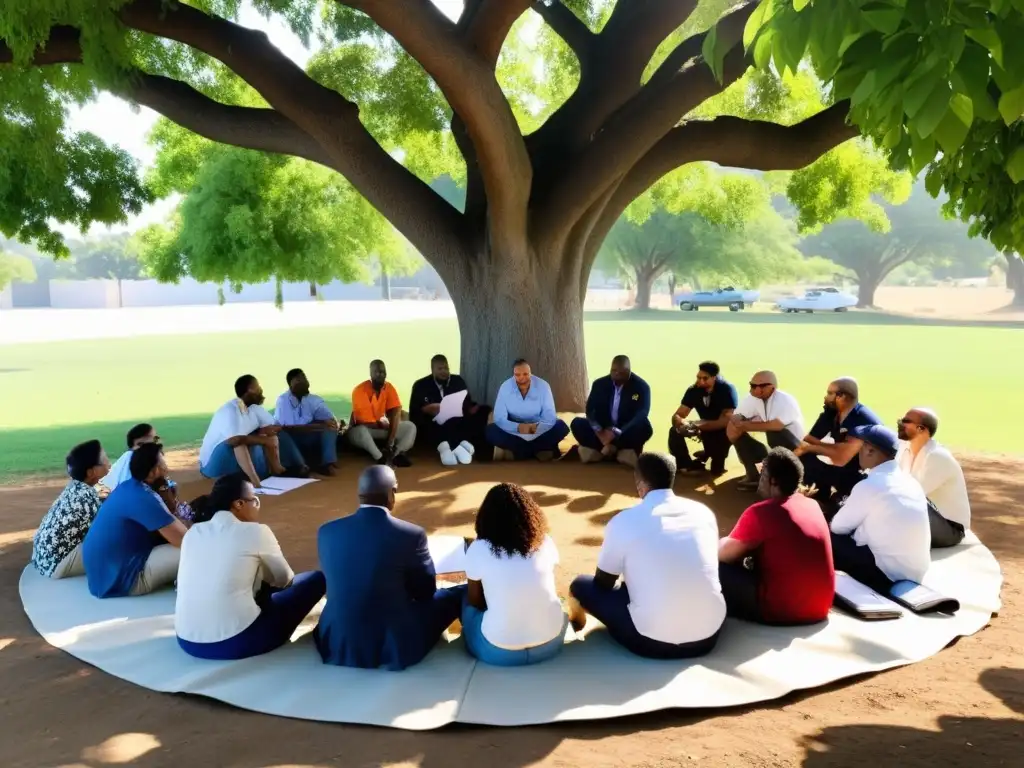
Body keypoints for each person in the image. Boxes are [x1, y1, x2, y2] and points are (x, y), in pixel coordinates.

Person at [569, 452, 724, 659]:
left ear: (640, 484)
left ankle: (575, 625)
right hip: (708, 638)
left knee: (580, 585)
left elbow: (604, 583)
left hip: (650, 643)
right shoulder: (703, 512)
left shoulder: (624, 520)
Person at [314, 465, 466, 670]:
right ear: (391, 493)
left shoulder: (327, 531)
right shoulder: (411, 534)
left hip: (337, 639)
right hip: (393, 642)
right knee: (456, 594)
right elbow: (425, 592)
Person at [175, 473, 327, 660]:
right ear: (239, 504)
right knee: (316, 580)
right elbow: (285, 579)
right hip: (239, 641)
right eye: (255, 500)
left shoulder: (193, 533)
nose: (257, 505)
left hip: (186, 640)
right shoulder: (256, 531)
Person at [718, 448, 834, 625]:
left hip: (781, 611)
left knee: (711, 566)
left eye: (762, 472)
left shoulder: (761, 512)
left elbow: (723, 555)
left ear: (772, 480)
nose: (759, 478)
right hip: (820, 608)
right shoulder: (812, 505)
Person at [461, 483, 568, 666]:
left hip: (498, 653)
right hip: (551, 643)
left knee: (463, 598)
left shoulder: (479, 548)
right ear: (530, 515)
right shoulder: (545, 542)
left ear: (486, 517)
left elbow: (476, 601)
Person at [829, 425, 931, 594]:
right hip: (916, 574)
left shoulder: (869, 485)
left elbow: (837, 527)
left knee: (824, 535)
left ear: (870, 451)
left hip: (884, 576)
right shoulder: (910, 481)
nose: (858, 451)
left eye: (861, 446)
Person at [82, 443, 188, 598]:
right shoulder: (144, 498)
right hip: (123, 581)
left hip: (102, 578)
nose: (167, 469)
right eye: (163, 464)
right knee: (200, 550)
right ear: (153, 472)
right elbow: (185, 541)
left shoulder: (128, 487)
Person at [199, 375, 309, 486]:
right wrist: (264, 440)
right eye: (258, 387)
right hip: (211, 465)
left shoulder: (253, 408)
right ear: (249, 390)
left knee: (269, 436)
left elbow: (273, 427)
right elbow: (234, 440)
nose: (261, 390)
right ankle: (256, 482)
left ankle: (278, 470)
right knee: (240, 444)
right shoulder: (230, 410)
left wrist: (267, 432)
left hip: (234, 453)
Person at [31, 440, 111, 579]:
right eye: (104, 460)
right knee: (115, 543)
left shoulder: (75, 487)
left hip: (43, 560)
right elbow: (103, 534)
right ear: (91, 472)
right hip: (57, 566)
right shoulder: (87, 496)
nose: (108, 463)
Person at [794, 377, 881, 504]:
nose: (825, 397)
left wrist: (810, 448)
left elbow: (841, 457)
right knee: (806, 457)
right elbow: (808, 441)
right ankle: (818, 496)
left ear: (842, 396)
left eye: (830, 393)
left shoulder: (862, 421)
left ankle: (840, 499)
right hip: (845, 467)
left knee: (810, 452)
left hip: (864, 475)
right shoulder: (833, 413)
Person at [897, 407, 970, 548]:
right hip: (927, 518)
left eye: (906, 421)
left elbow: (911, 495)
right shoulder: (904, 449)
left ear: (921, 429)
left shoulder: (937, 456)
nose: (900, 423)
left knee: (901, 503)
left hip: (949, 529)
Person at [570, 355, 652, 469]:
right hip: (603, 429)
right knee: (577, 423)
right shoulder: (599, 384)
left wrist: (617, 431)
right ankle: (614, 450)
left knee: (646, 428)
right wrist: (599, 431)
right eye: (614, 371)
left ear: (628, 371)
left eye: (621, 372)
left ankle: (605, 450)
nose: (616, 374)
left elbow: (642, 413)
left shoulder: (641, 387)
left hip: (624, 430)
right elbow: (590, 409)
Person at [727, 371, 805, 491]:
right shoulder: (753, 399)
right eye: (752, 385)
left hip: (794, 444)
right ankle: (754, 473)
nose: (754, 389)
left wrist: (743, 425)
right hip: (775, 443)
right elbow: (737, 416)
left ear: (771, 387)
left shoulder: (784, 400)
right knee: (732, 427)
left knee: (775, 434)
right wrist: (738, 419)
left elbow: (776, 426)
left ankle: (785, 478)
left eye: (759, 386)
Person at [409, 354, 491, 466]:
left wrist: (471, 408)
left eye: (446, 368)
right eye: (440, 369)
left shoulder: (457, 381)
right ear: (432, 370)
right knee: (440, 427)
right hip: (433, 423)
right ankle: (449, 449)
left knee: (484, 411)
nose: (444, 372)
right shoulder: (420, 385)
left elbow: (467, 402)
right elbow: (415, 412)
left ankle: (472, 448)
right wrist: (428, 409)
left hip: (457, 418)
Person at [486, 359, 570, 462]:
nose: (522, 378)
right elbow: (499, 418)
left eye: (525, 374)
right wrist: (518, 427)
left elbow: (549, 417)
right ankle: (540, 450)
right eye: (518, 375)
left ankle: (518, 453)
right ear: (513, 375)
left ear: (530, 373)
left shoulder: (543, 386)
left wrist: (533, 429)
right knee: (490, 431)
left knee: (560, 426)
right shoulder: (505, 387)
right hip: (514, 430)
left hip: (538, 429)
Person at [668, 361, 738, 475]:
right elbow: (679, 414)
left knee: (716, 471)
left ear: (714, 377)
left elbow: (725, 421)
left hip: (724, 431)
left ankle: (710, 453)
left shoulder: (727, 390)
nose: (700, 381)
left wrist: (699, 425)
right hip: (703, 427)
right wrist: (681, 423)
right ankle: (684, 464)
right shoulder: (694, 390)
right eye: (698, 377)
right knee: (674, 431)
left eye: (705, 378)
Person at [347, 360, 416, 467]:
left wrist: (390, 441)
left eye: (383, 372)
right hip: (363, 430)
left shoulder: (388, 387)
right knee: (362, 432)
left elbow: (396, 412)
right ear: (371, 374)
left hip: (381, 428)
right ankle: (380, 458)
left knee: (410, 427)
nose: (381, 375)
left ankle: (395, 454)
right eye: (377, 372)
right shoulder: (360, 390)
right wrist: (385, 423)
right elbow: (365, 422)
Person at [275, 368, 343, 476]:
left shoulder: (314, 400)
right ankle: (301, 466)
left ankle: (327, 463)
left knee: (330, 427)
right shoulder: (283, 400)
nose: (304, 382)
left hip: (308, 437)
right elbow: (289, 428)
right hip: (290, 439)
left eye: (304, 378)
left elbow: (331, 420)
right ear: (290, 385)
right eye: (299, 380)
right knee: (281, 433)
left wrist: (326, 423)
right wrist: (318, 426)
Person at [100, 423, 158, 491]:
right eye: (154, 440)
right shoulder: (136, 461)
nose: (156, 444)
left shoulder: (128, 458)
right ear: (140, 445)